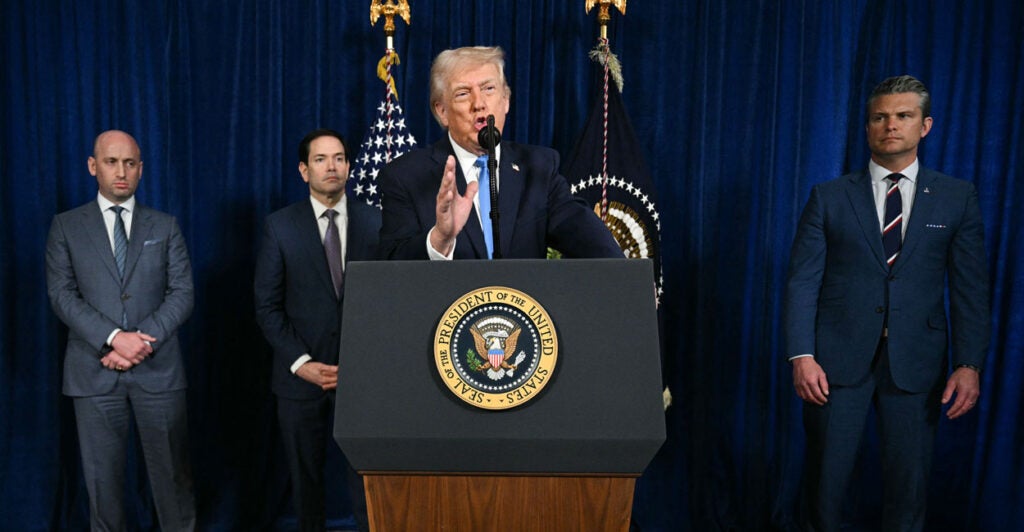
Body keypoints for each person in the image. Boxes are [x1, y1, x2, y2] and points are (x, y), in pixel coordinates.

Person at [783, 75, 990, 531]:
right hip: (834, 365)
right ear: (867, 127)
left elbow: (970, 290)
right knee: (825, 490)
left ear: (925, 125)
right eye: (880, 117)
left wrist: (969, 364)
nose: (890, 125)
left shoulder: (957, 197)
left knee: (907, 490)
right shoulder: (829, 197)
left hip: (917, 364)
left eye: (903, 116)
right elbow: (802, 283)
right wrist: (802, 355)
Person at [45, 130, 196, 530]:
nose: (121, 171)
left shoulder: (165, 226)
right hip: (94, 373)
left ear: (141, 169)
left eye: (130, 162)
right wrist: (114, 339)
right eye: (111, 162)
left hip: (158, 372)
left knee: (173, 483)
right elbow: (62, 295)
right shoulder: (65, 227)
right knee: (102, 489)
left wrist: (139, 342)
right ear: (94, 167)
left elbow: (182, 293)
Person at [378, 45, 622, 260]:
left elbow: (585, 236)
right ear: (442, 111)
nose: (479, 104)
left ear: (506, 100)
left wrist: (631, 280)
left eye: (489, 89)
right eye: (463, 93)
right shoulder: (407, 176)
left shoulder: (538, 167)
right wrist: (440, 238)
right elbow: (390, 270)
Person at [254, 129, 376, 532]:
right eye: (321, 159)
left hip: (361, 380)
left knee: (367, 485)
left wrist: (361, 364)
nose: (332, 167)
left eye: (339, 158)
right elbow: (267, 307)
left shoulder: (376, 222)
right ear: (304, 170)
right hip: (300, 381)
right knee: (305, 487)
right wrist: (302, 363)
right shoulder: (279, 227)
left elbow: (390, 302)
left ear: (349, 166)